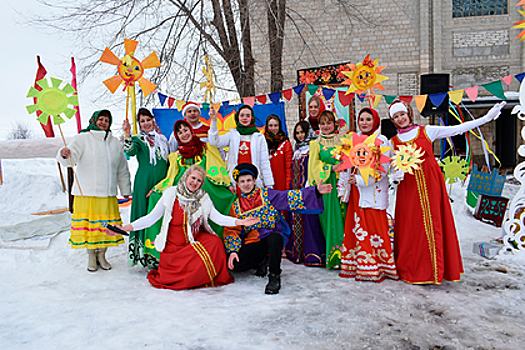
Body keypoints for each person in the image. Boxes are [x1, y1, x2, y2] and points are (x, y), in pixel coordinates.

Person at [389, 100, 506, 284]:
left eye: (402, 114)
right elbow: (387, 165)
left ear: (409, 113)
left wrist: (486, 118)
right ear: (393, 120)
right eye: (396, 117)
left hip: (430, 184)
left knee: (433, 223)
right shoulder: (393, 141)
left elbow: (457, 129)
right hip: (408, 189)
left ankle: (435, 269)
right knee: (411, 226)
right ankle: (413, 269)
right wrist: (395, 174)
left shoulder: (426, 131)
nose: (400, 119)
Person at [115, 165, 259, 290]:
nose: (195, 183)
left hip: (192, 241)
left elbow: (218, 218)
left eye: (199, 181)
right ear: (186, 177)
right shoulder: (171, 193)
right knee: (181, 281)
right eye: (193, 178)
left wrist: (240, 222)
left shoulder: (203, 198)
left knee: (215, 242)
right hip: (173, 247)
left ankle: (203, 275)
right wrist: (126, 228)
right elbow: (151, 218)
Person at [223, 163, 330, 294]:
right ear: (238, 184)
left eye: (249, 180)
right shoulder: (236, 206)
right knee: (237, 265)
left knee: (274, 238)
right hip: (254, 241)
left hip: (271, 237)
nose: (246, 184)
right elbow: (232, 230)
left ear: (254, 181)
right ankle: (263, 259)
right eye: (242, 181)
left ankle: (274, 276)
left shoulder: (267, 195)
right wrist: (233, 250)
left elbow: (289, 197)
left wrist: (315, 191)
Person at [145, 120, 235, 267]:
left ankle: (222, 248)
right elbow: (171, 177)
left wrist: (227, 183)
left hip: (203, 183)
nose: (184, 134)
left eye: (185, 130)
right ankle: (158, 251)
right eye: (179, 132)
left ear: (191, 131)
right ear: (177, 137)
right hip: (182, 186)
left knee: (224, 198)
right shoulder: (176, 156)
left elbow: (216, 166)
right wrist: (156, 188)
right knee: (157, 199)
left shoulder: (206, 148)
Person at [57, 110, 131, 272]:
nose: (103, 122)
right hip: (87, 194)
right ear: (94, 120)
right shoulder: (82, 138)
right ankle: (91, 256)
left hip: (107, 194)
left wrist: (125, 189)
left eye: (107, 120)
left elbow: (122, 168)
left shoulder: (114, 143)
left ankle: (102, 255)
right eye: (101, 119)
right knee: (90, 228)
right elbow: (71, 159)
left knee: (106, 227)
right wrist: (64, 154)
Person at [337, 108, 399, 282]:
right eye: (361, 119)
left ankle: (378, 266)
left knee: (375, 229)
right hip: (356, 192)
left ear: (375, 121)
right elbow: (345, 164)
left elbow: (383, 170)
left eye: (368, 119)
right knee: (358, 228)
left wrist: (360, 180)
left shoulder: (382, 141)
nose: (364, 123)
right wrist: (343, 187)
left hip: (372, 192)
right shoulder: (353, 139)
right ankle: (359, 265)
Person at [122, 108, 169, 268]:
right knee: (143, 214)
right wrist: (127, 134)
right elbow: (130, 151)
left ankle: (158, 252)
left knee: (160, 214)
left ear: (153, 120)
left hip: (162, 182)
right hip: (144, 182)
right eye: (142, 121)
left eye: (148, 120)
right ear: (139, 124)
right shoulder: (138, 139)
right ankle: (142, 254)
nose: (146, 123)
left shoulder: (163, 139)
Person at [284, 121, 326, 266]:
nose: (300, 135)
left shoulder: (313, 147)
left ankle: (313, 255)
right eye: (297, 133)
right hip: (295, 189)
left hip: (307, 189)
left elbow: (315, 168)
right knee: (296, 220)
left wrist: (311, 186)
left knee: (309, 222)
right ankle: (297, 253)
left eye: (302, 132)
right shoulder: (297, 150)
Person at [308, 110, 345, 269]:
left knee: (345, 218)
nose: (326, 126)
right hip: (327, 186)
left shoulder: (344, 141)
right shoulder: (315, 144)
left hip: (343, 185)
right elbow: (312, 167)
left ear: (334, 124)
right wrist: (330, 168)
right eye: (322, 123)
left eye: (328, 122)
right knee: (331, 220)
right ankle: (335, 258)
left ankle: (348, 257)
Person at [208, 105, 274, 189]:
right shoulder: (232, 134)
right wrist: (214, 121)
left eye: (248, 115)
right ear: (237, 117)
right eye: (242, 115)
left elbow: (264, 162)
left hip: (253, 182)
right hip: (236, 181)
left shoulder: (259, 137)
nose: (245, 118)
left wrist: (269, 185)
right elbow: (215, 142)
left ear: (252, 118)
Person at [264, 114, 292, 191]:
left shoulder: (286, 143)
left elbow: (288, 168)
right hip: (267, 186)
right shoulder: (262, 143)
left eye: (276, 125)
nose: (273, 128)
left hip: (282, 186)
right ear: (267, 127)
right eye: (270, 125)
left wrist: (287, 188)